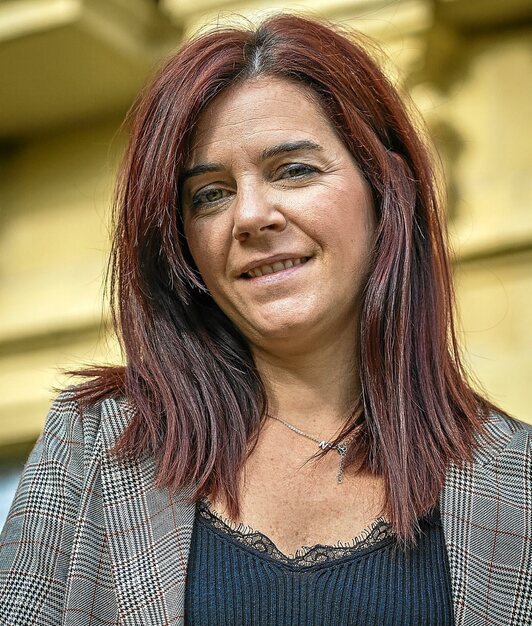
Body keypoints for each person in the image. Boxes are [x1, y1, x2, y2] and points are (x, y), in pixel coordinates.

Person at [0, 11, 530, 626]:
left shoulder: (516, 481)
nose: (250, 216)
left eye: (294, 170)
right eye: (210, 194)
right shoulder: (95, 446)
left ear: (386, 192)